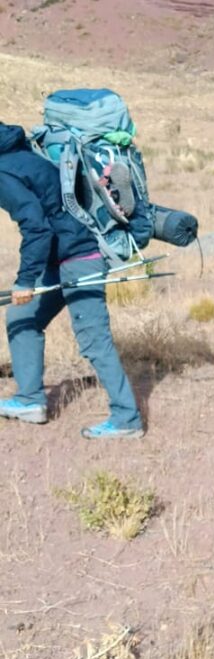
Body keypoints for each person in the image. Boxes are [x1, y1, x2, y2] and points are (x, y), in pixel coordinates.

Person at [0, 122, 145, 439]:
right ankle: (29, 400)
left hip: (80, 257)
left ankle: (127, 419)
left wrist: (25, 281)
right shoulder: (17, 151)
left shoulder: (3, 171)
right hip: (61, 257)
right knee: (22, 316)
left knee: (93, 339)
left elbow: (37, 227)